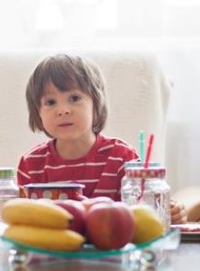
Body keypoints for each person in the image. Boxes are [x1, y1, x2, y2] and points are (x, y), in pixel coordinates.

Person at [17, 54, 186, 223]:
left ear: (96, 105)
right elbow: (21, 220)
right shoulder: (31, 165)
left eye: (74, 98)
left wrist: (170, 212)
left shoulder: (122, 158)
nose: (62, 110)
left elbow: (145, 209)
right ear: (37, 113)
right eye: (50, 102)